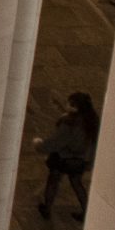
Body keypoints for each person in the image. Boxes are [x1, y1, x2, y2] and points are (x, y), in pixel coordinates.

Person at [35, 92, 99, 221]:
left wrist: (39, 145)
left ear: (75, 107)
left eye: (69, 103)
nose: (66, 105)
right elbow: (93, 144)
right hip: (80, 160)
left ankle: (47, 209)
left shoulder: (69, 122)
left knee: (53, 181)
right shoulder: (92, 121)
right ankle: (86, 211)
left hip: (62, 159)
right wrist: (89, 162)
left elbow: (57, 142)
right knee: (77, 184)